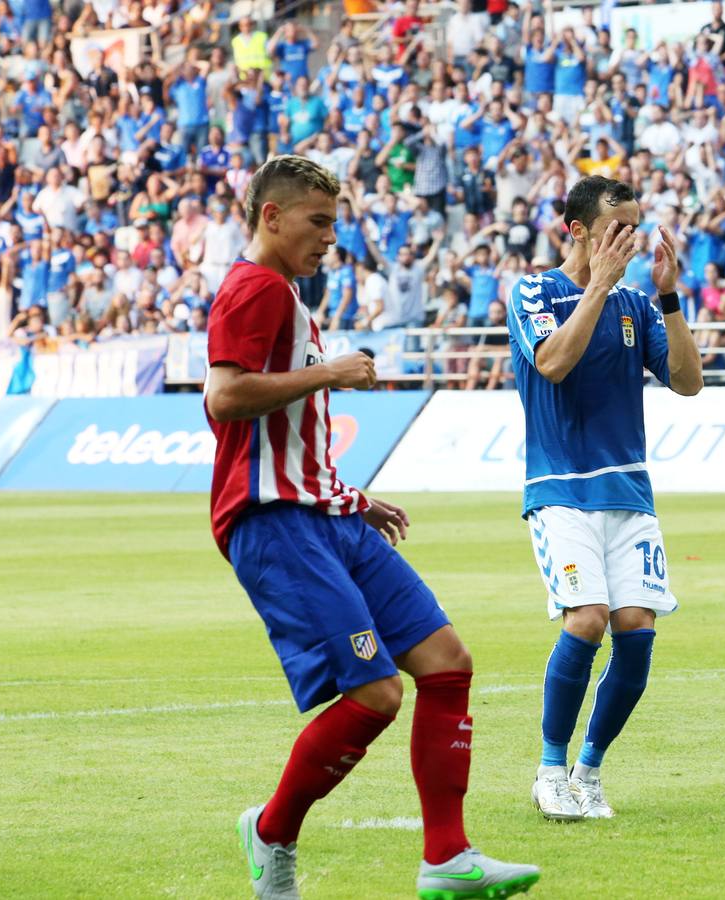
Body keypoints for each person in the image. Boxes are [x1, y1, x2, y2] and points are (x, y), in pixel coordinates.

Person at [203, 156, 539, 899]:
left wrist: (353, 498)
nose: (331, 237)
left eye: (335, 221)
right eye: (318, 222)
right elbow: (225, 399)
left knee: (448, 662)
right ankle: (270, 833)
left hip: (325, 514)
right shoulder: (254, 288)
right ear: (271, 216)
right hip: (277, 526)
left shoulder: (286, 295)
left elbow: (283, 438)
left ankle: (447, 858)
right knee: (377, 694)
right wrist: (330, 373)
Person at [507, 175, 703, 821]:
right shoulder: (535, 290)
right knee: (586, 618)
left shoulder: (637, 305)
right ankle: (550, 769)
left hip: (627, 490)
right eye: (617, 229)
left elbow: (687, 381)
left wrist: (669, 297)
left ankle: (589, 772)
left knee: (636, 629)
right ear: (578, 229)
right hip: (560, 485)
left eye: (635, 229)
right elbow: (553, 363)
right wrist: (597, 285)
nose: (628, 241)